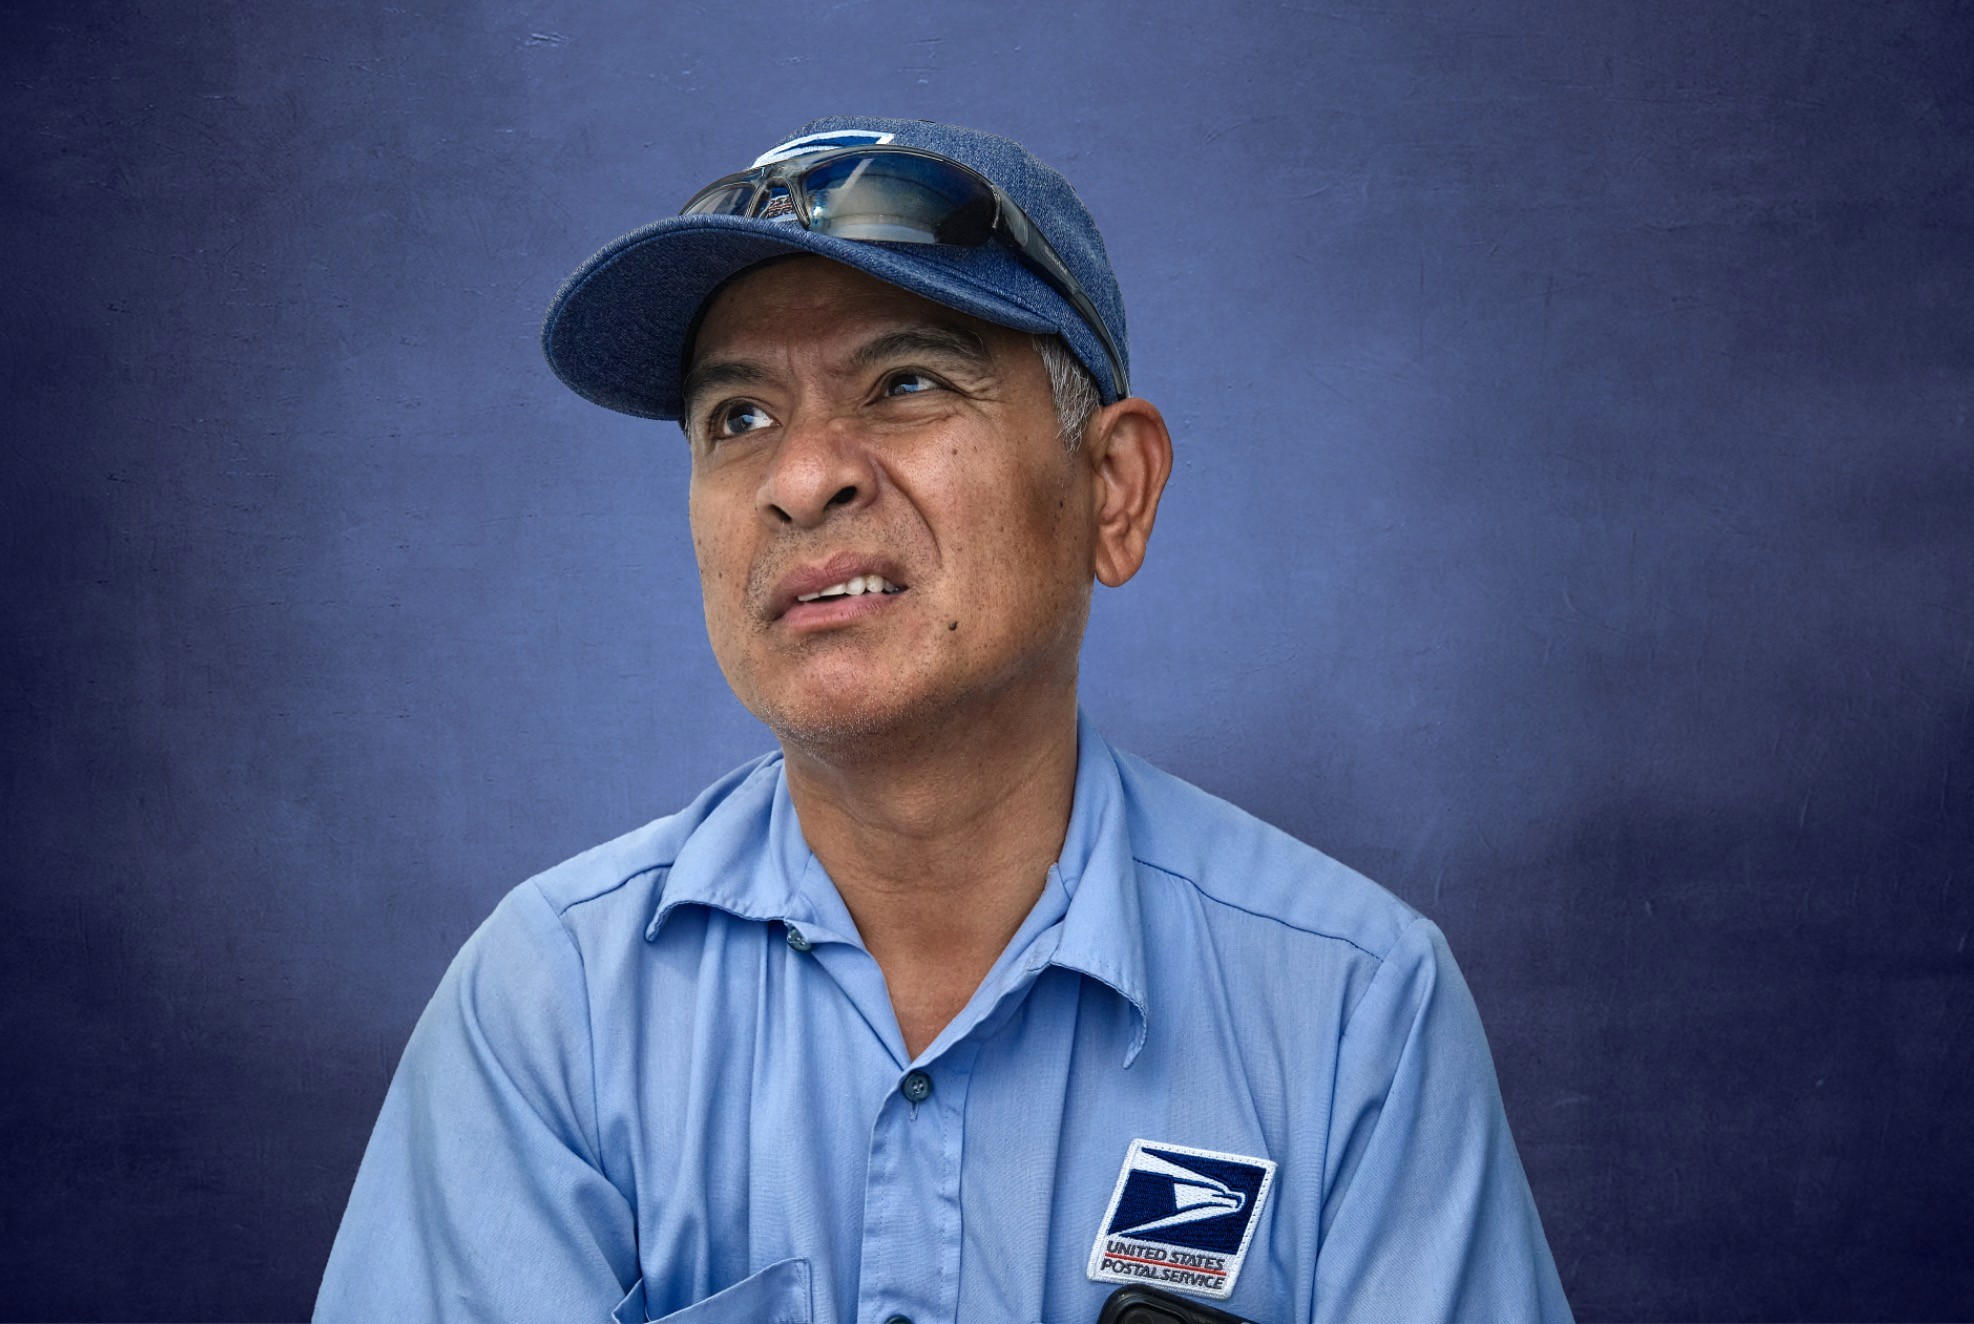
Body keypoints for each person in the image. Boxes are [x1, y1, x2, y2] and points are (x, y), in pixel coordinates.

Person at [315, 115, 1573, 1324]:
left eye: (906, 382)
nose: (803, 477)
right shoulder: (551, 1008)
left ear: (1115, 491)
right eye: (738, 417)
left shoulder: (1355, 1012)